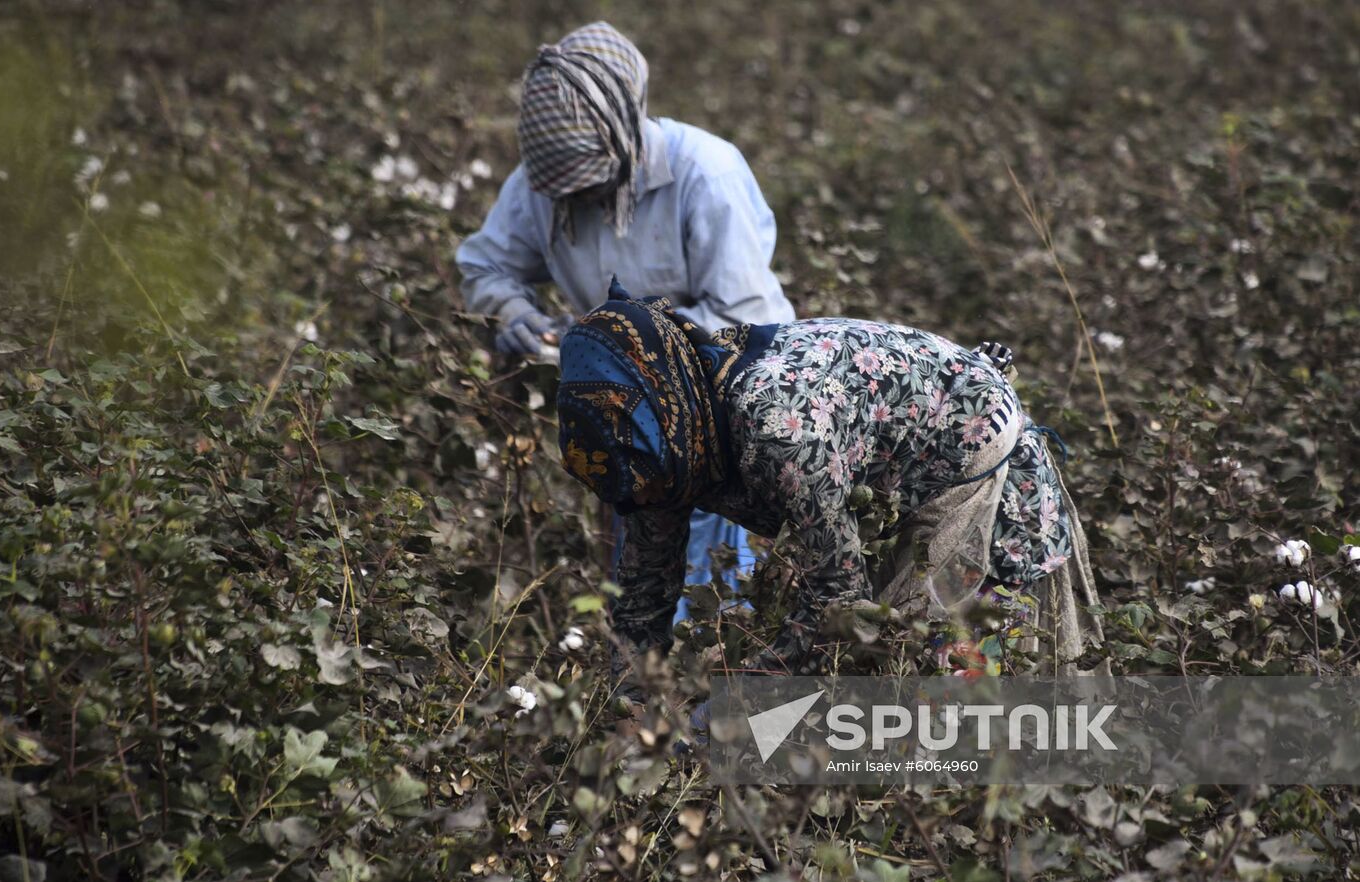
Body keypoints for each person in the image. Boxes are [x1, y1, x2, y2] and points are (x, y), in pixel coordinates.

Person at [556, 280, 1105, 683]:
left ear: (668, 418)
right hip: (880, 454)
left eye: (650, 489)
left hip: (964, 434)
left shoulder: (772, 427)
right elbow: (644, 593)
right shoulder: (655, 444)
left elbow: (838, 599)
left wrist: (745, 696)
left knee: (915, 654)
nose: (648, 501)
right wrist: (626, 697)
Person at [456, 22, 794, 621]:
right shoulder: (541, 187)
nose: (578, 202)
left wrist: (615, 347)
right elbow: (485, 264)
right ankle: (645, 702)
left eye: (588, 185)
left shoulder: (705, 174)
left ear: (619, 138)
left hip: (724, 414)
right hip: (621, 427)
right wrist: (512, 312)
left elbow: (745, 321)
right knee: (635, 604)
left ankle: (711, 702)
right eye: (566, 192)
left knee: (713, 603)